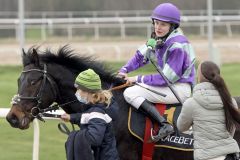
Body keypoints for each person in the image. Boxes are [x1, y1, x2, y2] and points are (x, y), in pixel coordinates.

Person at [118, 3, 196, 141]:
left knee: (130, 92)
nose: (158, 27)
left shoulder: (177, 45)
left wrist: (136, 78)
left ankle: (164, 125)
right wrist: (123, 70)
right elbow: (140, 56)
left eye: (163, 25)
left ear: (172, 26)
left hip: (179, 89)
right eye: (156, 23)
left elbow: (165, 78)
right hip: (171, 86)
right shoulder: (160, 39)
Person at [177, 61, 240, 160]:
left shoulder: (190, 103)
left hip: (206, 156)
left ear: (199, 78)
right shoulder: (230, 101)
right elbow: (231, 129)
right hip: (230, 156)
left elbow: (181, 127)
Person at [61, 69, 119, 160]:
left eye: (79, 90)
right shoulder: (96, 109)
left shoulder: (97, 112)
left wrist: (74, 135)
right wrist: (71, 117)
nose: (77, 93)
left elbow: (94, 139)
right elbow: (88, 117)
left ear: (89, 92)